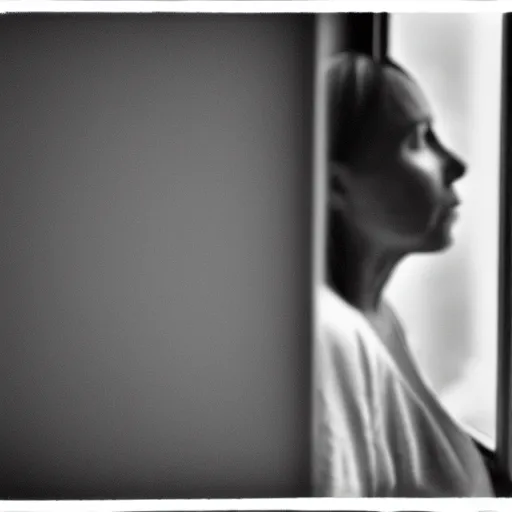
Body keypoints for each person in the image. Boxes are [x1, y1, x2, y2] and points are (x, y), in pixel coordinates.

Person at [312, 52, 495, 497]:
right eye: (418, 139)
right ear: (336, 185)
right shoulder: (330, 338)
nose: (455, 165)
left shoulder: (381, 317)